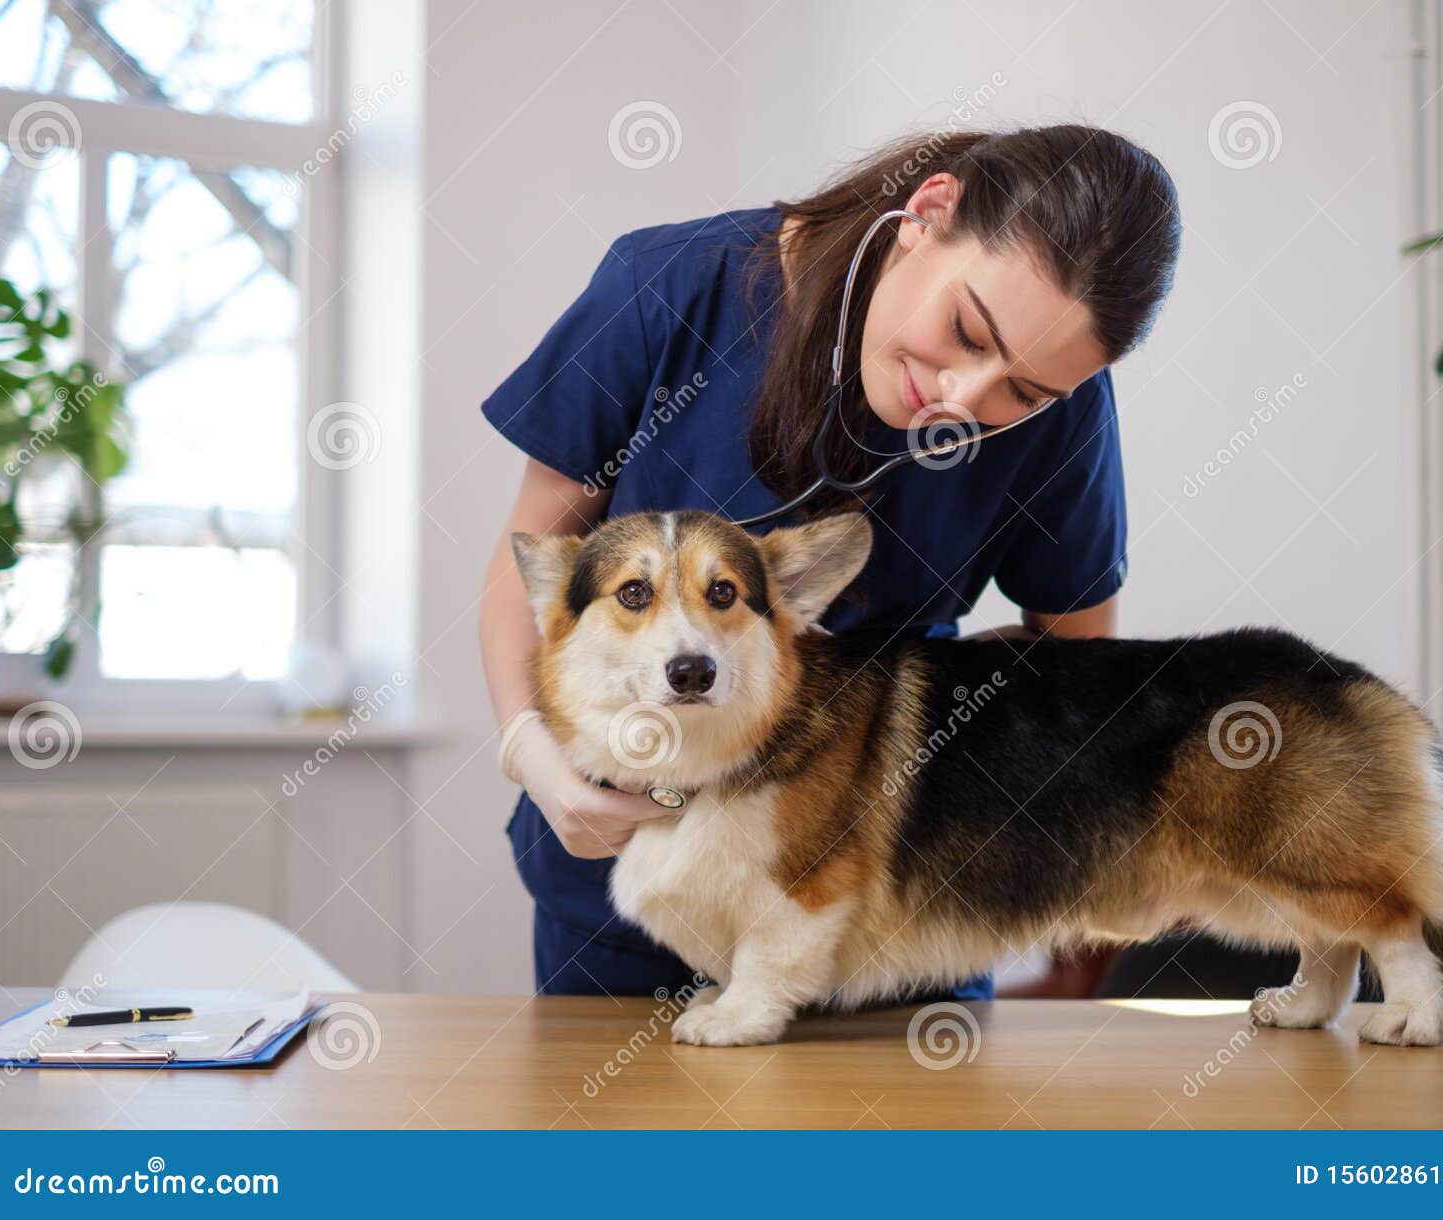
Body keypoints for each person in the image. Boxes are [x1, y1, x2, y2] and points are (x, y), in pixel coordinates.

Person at [477, 125, 1181, 999]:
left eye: (1024, 391)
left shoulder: (1060, 417)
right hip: (633, 863)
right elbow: (533, 565)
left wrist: (976, 703)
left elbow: (1075, 668)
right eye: (966, 329)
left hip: (894, 907)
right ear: (929, 212)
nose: (964, 397)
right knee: (626, 1133)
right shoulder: (671, 286)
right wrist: (528, 750)